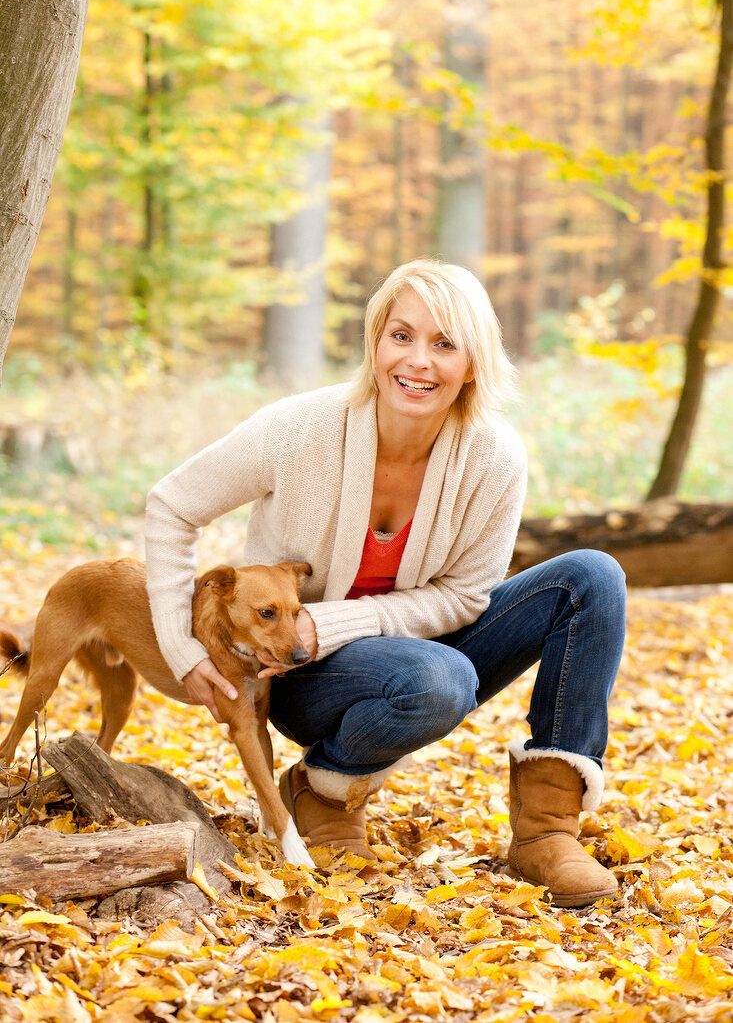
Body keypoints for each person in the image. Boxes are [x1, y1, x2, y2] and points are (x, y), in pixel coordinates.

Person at [145, 258, 625, 907]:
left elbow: (464, 597)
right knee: (439, 679)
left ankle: (546, 833)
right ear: (374, 344)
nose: (417, 361)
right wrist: (184, 648)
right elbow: (173, 505)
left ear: (473, 362)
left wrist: (337, 622)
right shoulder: (295, 430)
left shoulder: (494, 455)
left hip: (419, 646)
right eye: (400, 336)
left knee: (590, 578)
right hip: (296, 673)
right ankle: (324, 792)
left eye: (443, 343)